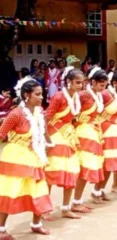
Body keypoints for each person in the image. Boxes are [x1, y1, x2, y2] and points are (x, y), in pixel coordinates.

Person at [0, 79, 53, 239]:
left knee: (39, 190)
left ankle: (36, 224)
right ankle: (1, 229)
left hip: (34, 157)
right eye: (37, 94)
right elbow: (1, 134)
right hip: (16, 157)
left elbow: (44, 132)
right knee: (11, 191)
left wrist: (49, 145)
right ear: (26, 95)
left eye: (41, 94)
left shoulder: (40, 112)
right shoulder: (16, 113)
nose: (41, 97)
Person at [44, 67, 84, 220]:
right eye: (77, 82)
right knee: (52, 172)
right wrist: (47, 141)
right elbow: (46, 119)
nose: (80, 86)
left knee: (72, 171)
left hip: (69, 137)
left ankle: (66, 207)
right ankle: (44, 209)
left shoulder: (76, 97)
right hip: (56, 136)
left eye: (82, 83)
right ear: (68, 82)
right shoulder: (59, 97)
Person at [72, 67, 107, 211]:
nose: (103, 88)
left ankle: (77, 200)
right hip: (83, 132)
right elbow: (72, 112)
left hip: (93, 131)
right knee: (85, 166)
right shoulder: (84, 95)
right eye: (100, 85)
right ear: (92, 82)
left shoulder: (98, 95)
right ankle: (75, 201)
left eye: (105, 86)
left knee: (89, 166)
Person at [93, 71, 117, 197]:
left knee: (112, 163)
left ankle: (101, 190)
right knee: (105, 162)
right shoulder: (105, 94)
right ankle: (95, 191)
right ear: (114, 83)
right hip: (106, 131)